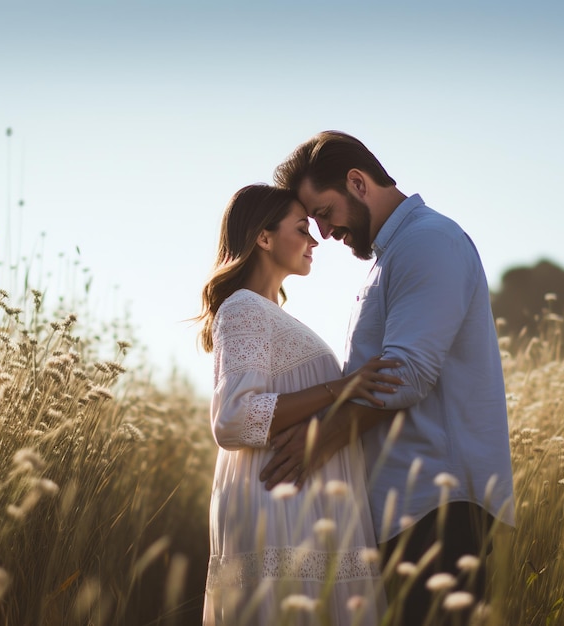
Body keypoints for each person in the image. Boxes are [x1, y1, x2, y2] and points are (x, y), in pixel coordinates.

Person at [262, 131, 515, 625]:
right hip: (407, 510)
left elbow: (405, 375)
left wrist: (320, 439)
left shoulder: (428, 242)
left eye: (325, 213)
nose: (325, 232)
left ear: (357, 182)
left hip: (439, 510)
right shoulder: (394, 253)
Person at [197, 184, 403, 625]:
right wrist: (340, 389)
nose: (315, 241)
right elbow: (233, 418)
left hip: (302, 508)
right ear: (264, 238)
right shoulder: (244, 310)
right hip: (281, 510)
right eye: (301, 228)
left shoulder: (268, 314)